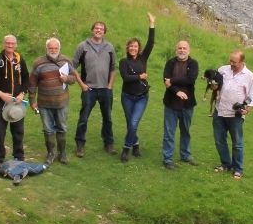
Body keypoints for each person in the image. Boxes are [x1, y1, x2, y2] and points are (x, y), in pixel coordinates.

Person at [29, 37, 80, 164]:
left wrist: (66, 79)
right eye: (51, 48)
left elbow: (74, 78)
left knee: (62, 127)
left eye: (55, 48)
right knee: (48, 129)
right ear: (46, 49)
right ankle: (50, 154)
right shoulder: (38, 63)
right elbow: (32, 82)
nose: (53, 50)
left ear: (59, 48)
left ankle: (62, 153)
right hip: (44, 103)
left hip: (62, 102)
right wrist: (32, 100)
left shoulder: (66, 61)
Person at [72, 21, 118, 156]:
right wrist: (81, 84)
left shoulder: (109, 47)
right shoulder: (83, 46)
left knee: (108, 117)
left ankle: (108, 143)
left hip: (105, 89)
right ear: (92, 30)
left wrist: (110, 86)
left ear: (104, 32)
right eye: (96, 28)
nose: (98, 30)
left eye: (101, 29)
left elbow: (113, 68)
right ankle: (80, 145)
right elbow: (72, 66)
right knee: (84, 117)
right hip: (89, 89)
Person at [117, 13, 158, 162]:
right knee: (130, 124)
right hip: (127, 96)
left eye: (136, 46)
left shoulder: (143, 58)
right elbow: (126, 78)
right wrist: (140, 77)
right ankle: (136, 145)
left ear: (138, 48)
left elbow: (151, 43)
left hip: (141, 97)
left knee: (133, 123)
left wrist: (151, 24)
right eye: (131, 46)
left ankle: (126, 149)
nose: (133, 48)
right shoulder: (123, 62)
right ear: (127, 48)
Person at [212, 49, 253, 179]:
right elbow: (215, 85)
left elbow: (252, 97)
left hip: (235, 116)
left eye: (234, 62)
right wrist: (213, 86)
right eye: (230, 60)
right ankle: (225, 164)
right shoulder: (223, 70)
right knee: (219, 140)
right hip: (220, 111)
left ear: (242, 62)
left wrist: (246, 110)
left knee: (237, 143)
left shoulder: (249, 76)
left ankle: (238, 169)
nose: (231, 63)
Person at [0, 34, 29, 165]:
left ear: (16, 45)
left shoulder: (20, 60)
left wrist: (22, 94)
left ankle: (19, 157)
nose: (10, 46)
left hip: (17, 102)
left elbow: (27, 79)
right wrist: (0, 94)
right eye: (8, 43)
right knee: (0, 131)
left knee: (18, 130)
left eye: (12, 44)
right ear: (3, 44)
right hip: (2, 101)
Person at [161, 39, 200, 170]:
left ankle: (185, 155)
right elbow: (165, 81)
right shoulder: (170, 63)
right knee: (169, 133)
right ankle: (167, 159)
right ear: (176, 49)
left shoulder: (193, 64)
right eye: (180, 48)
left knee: (185, 131)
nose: (182, 50)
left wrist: (172, 80)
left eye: (184, 48)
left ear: (189, 50)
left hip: (187, 105)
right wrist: (176, 91)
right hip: (171, 104)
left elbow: (190, 79)